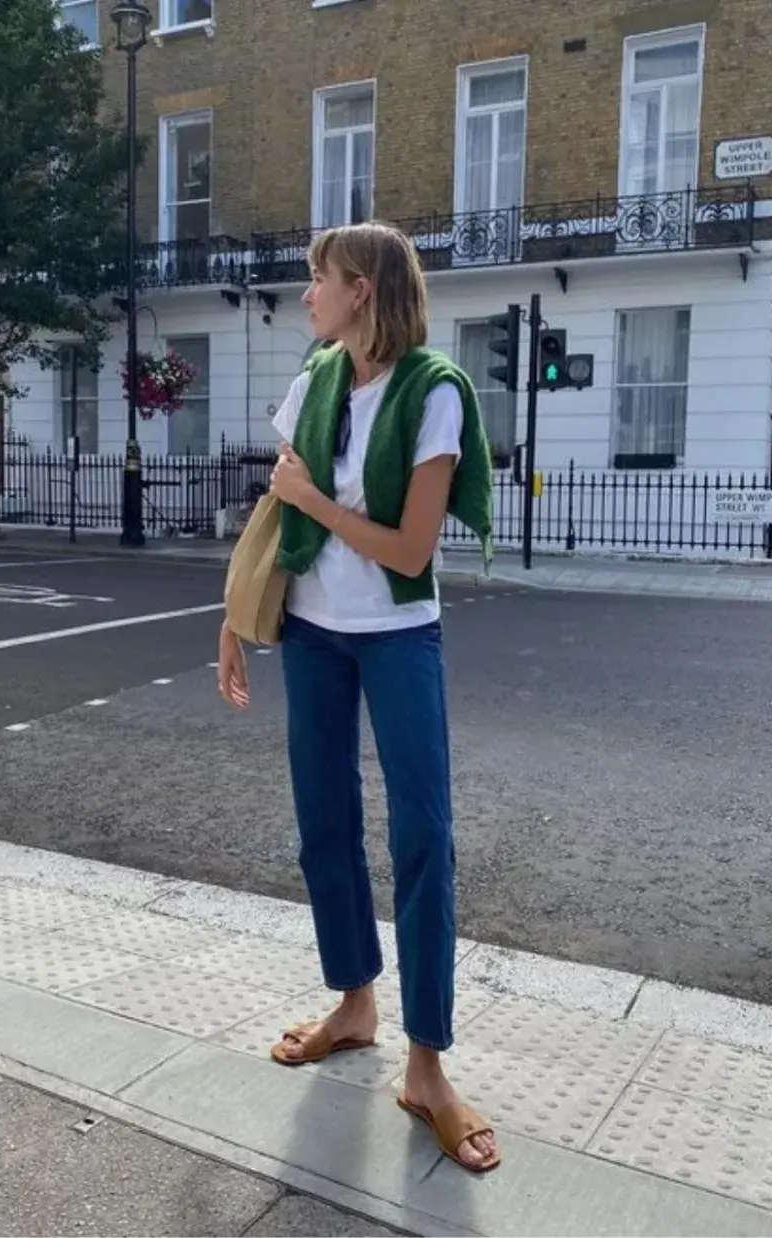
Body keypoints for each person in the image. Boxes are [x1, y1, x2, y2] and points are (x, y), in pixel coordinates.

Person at [218, 221, 499, 1172]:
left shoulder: (435, 397)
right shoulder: (315, 382)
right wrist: (233, 618)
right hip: (310, 630)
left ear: (364, 292)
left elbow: (410, 552)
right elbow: (274, 512)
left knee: (424, 833)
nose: (307, 295)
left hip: (396, 635)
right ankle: (355, 1003)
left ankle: (427, 1067)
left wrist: (319, 507)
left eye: (319, 281)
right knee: (323, 823)